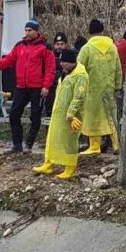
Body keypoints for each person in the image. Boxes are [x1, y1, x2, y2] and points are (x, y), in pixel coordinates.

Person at [0, 20, 55, 153]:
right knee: (14, 114)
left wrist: (46, 86)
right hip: (21, 86)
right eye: (26, 30)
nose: (27, 33)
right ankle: (17, 144)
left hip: (37, 87)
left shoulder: (45, 47)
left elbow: (50, 69)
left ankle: (29, 144)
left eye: (30, 30)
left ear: (36, 31)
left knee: (35, 116)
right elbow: (7, 61)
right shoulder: (20, 46)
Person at [33, 49, 88, 180]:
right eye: (61, 61)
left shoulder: (81, 76)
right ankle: (48, 163)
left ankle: (70, 168)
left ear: (72, 62)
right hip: (58, 113)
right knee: (53, 138)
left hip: (71, 116)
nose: (62, 64)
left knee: (69, 141)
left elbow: (79, 97)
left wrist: (71, 113)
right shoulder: (65, 73)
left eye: (64, 62)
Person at [77, 19, 122, 156]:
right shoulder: (113, 47)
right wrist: (118, 85)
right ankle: (117, 144)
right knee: (111, 116)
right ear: (102, 31)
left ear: (90, 32)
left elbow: (79, 69)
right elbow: (118, 68)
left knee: (93, 117)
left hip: (92, 89)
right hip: (109, 88)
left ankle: (94, 146)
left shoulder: (87, 49)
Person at [44, 33, 67, 115]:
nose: (59, 46)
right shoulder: (50, 55)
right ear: (54, 45)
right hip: (52, 87)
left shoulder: (69, 55)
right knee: (50, 108)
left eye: (62, 44)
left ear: (66, 44)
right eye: (57, 44)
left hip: (65, 87)